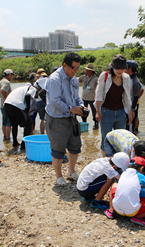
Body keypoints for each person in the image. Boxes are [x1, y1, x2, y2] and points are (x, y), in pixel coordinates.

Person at [44, 52, 86, 186]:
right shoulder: (54, 79)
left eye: (78, 68)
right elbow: (54, 101)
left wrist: (81, 105)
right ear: (64, 65)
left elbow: (76, 97)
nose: (76, 71)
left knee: (75, 146)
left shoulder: (74, 79)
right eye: (73, 68)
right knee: (58, 149)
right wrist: (70, 108)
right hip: (56, 119)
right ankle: (59, 176)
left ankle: (71, 170)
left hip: (71, 118)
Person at [95, 54, 133, 157]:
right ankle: (105, 161)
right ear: (112, 67)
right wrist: (97, 111)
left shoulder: (126, 78)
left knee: (121, 139)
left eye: (122, 68)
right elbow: (98, 94)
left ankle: (117, 162)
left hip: (121, 112)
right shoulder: (105, 75)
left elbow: (127, 96)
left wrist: (130, 112)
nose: (120, 71)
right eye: (117, 68)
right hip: (106, 111)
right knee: (105, 138)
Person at [105, 157, 145, 227]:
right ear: (141, 168)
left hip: (118, 209)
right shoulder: (141, 176)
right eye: (144, 172)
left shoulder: (123, 173)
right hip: (132, 211)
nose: (144, 174)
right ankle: (138, 217)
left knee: (114, 185)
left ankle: (111, 210)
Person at [3, 84, 37, 149]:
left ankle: (15, 143)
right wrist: (28, 108)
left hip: (6, 105)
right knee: (29, 123)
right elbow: (28, 95)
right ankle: (24, 144)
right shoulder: (32, 88)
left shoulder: (21, 89)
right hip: (16, 106)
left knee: (14, 124)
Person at [0, 69, 14, 141]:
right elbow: (2, 90)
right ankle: (8, 138)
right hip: (7, 105)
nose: (12, 77)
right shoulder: (7, 82)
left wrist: (2, 98)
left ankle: (5, 137)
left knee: (4, 122)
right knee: (9, 122)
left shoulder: (1, 81)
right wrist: (6, 99)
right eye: (12, 75)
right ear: (9, 75)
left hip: (2, 106)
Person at [77, 63, 99, 128]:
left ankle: (96, 124)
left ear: (91, 71)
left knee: (94, 112)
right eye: (86, 70)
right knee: (83, 112)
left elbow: (100, 84)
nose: (87, 71)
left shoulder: (95, 78)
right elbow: (75, 81)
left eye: (88, 70)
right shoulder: (83, 77)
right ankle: (84, 123)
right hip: (84, 98)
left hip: (92, 98)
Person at [125, 60, 142, 133]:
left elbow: (136, 96)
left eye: (125, 67)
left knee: (129, 127)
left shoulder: (135, 81)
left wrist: (132, 110)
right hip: (126, 106)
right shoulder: (129, 78)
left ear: (130, 69)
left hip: (131, 108)